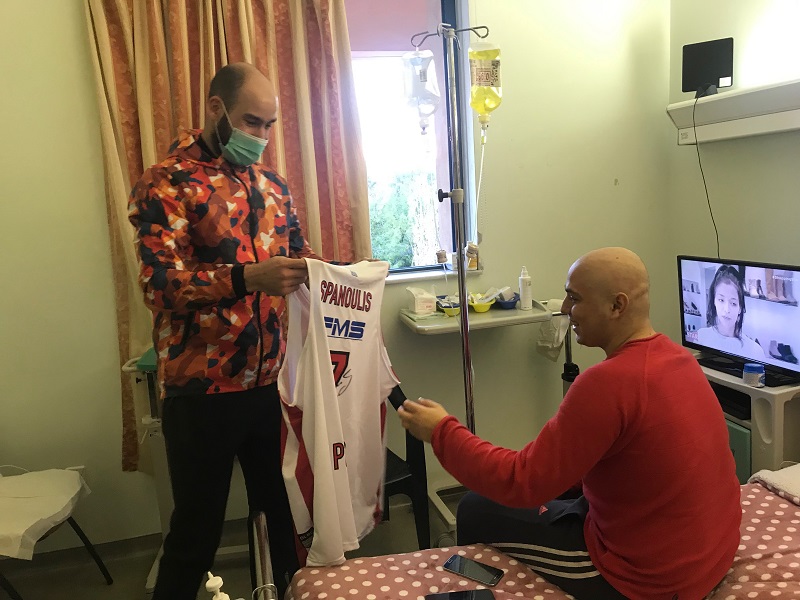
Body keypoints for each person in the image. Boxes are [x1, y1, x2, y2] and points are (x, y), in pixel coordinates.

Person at [398, 247, 741, 600]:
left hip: (649, 580)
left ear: (617, 306)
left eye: (574, 298)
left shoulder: (606, 383)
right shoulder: (681, 359)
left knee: (473, 509)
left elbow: (520, 481)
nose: (564, 308)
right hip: (711, 556)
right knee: (549, 493)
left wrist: (441, 431)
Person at [128, 63, 329, 600]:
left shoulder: (272, 185)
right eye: (251, 122)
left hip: (270, 386)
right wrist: (245, 278)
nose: (260, 136)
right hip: (202, 391)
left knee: (285, 524)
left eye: (269, 125)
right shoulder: (167, 183)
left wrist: (342, 276)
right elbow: (158, 285)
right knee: (195, 537)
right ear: (216, 109)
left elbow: (300, 255)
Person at [697, 264, 765, 358]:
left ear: (740, 308)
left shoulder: (755, 351)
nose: (726, 310)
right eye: (721, 300)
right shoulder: (701, 336)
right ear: (714, 301)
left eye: (733, 303)